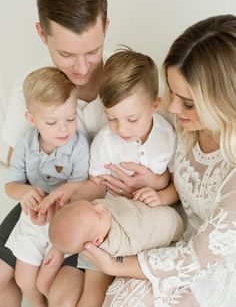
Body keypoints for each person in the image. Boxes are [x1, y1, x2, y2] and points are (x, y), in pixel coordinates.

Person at [79, 14, 236, 307]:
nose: (171, 107)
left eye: (187, 102)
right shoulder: (176, 122)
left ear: (224, 103)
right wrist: (156, 182)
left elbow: (200, 257)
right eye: (171, 93)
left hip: (214, 264)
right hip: (175, 234)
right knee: (122, 300)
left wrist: (118, 265)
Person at [0, 0, 110, 307]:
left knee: (62, 292)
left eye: (92, 51)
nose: (81, 67)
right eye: (66, 55)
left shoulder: (123, 88)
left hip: (94, 210)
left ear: (105, 27)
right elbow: (14, 162)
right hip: (43, 203)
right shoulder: (30, 88)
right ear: (42, 34)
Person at [36, 49, 179, 306]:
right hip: (109, 224)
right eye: (111, 118)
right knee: (93, 291)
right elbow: (96, 185)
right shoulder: (105, 142)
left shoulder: (167, 135)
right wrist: (72, 190)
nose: (121, 128)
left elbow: (177, 185)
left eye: (132, 119)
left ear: (155, 105)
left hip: (149, 225)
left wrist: (160, 193)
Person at [4, 67, 91, 307]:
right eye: (52, 122)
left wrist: (60, 245)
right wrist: (24, 192)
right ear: (32, 120)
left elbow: (79, 190)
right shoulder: (26, 143)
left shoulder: (78, 146)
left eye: (71, 119)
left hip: (66, 218)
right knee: (23, 279)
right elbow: (10, 185)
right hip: (33, 218)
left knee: (46, 279)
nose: (64, 129)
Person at [49, 197, 183, 259]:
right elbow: (137, 247)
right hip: (172, 226)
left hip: (163, 211)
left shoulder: (96, 223)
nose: (100, 206)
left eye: (91, 204)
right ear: (97, 241)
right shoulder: (117, 243)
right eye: (97, 213)